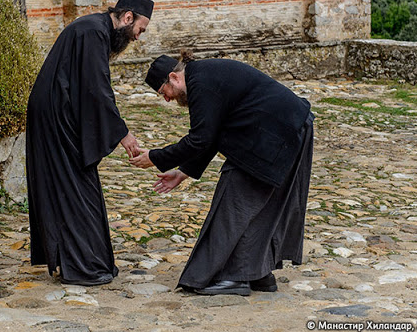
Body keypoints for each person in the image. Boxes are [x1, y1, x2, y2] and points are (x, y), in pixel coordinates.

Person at [130, 51, 314, 295]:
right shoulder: (203, 76)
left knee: (232, 204)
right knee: (257, 208)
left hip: (277, 132)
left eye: (164, 92)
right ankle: (257, 274)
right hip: (288, 128)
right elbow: (211, 135)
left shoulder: (200, 83)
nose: (166, 99)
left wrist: (155, 157)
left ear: (173, 78)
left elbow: (200, 139)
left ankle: (231, 277)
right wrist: (183, 172)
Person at [26, 0, 154, 286]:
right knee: (75, 188)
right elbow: (97, 90)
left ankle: (86, 262)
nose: (137, 38)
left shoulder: (94, 29)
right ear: (127, 18)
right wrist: (122, 133)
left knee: (77, 186)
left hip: (59, 113)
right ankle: (84, 265)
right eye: (139, 30)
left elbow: (88, 87)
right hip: (56, 117)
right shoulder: (93, 32)